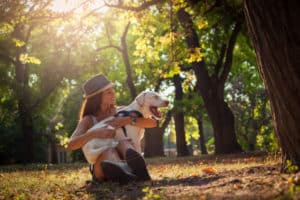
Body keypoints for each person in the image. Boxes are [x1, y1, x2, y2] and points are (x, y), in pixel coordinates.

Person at [67, 74, 157, 183]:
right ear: (97, 97)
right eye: (109, 92)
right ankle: (127, 173)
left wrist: (125, 120)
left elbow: (152, 123)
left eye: (112, 90)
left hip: (122, 157)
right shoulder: (89, 119)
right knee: (109, 151)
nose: (114, 93)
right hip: (100, 168)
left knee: (124, 143)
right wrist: (95, 133)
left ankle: (131, 174)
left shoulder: (120, 111)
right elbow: (71, 144)